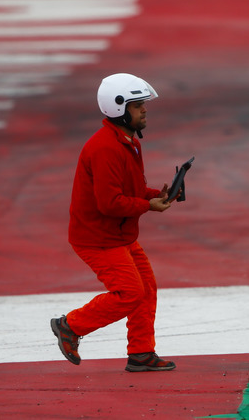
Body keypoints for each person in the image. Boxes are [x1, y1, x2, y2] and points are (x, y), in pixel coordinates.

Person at [51, 73, 177, 372]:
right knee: (131, 293)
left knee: (146, 288)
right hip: (98, 237)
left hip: (118, 234)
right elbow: (109, 203)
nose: (145, 110)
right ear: (118, 108)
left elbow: (126, 191)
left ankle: (142, 353)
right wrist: (149, 206)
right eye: (138, 105)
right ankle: (70, 325)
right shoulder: (106, 147)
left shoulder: (126, 141)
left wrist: (157, 195)